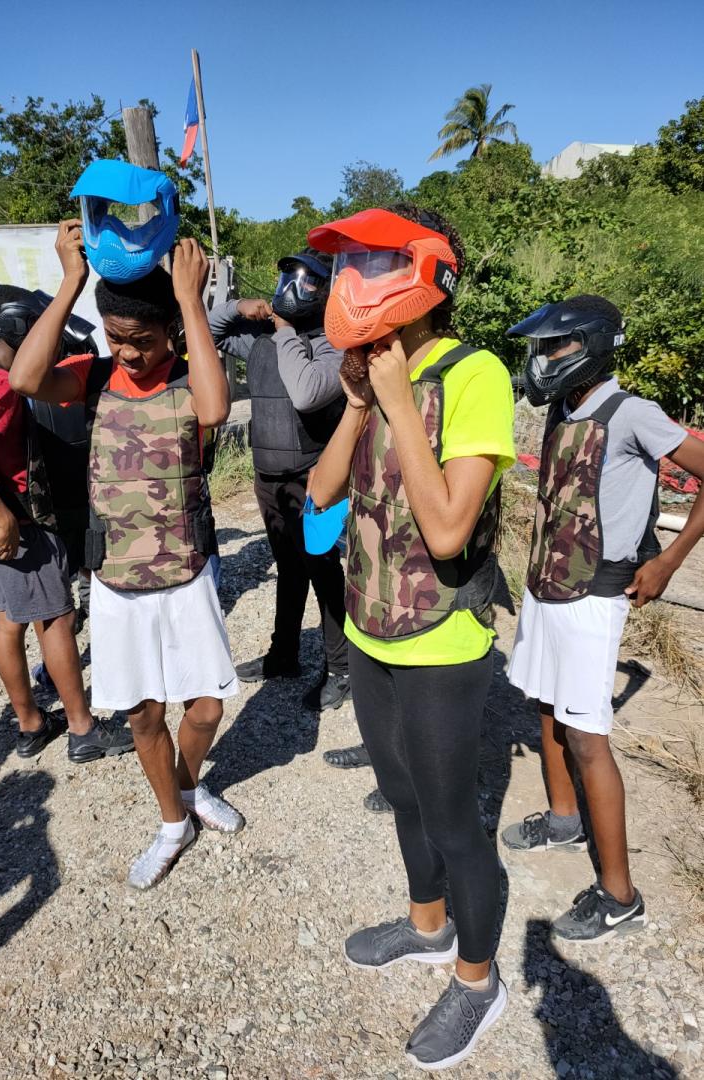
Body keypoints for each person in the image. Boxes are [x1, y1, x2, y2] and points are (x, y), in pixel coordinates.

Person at [309, 204, 515, 1070]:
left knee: (453, 820)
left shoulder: (476, 374)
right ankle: (428, 927)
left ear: (430, 274)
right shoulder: (375, 377)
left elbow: (448, 531)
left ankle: (477, 981)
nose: (354, 279)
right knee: (400, 795)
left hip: (440, 640)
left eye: (375, 262)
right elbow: (323, 493)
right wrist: (360, 405)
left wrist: (396, 403)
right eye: (350, 264)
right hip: (372, 630)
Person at [10, 223, 244, 890]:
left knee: (206, 708)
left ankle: (188, 787)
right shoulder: (95, 378)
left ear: (171, 330)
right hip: (117, 582)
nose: (130, 352)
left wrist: (190, 300)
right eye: (117, 338)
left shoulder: (190, 374)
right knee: (143, 714)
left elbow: (215, 408)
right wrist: (70, 283)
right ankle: (172, 823)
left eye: (143, 339)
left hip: (186, 575)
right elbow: (24, 377)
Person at [502, 294, 704, 943]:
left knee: (588, 737)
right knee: (545, 706)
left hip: (594, 597)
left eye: (555, 346)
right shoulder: (564, 408)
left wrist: (668, 560)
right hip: (546, 588)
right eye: (541, 348)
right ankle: (565, 820)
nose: (544, 359)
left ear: (590, 346)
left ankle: (620, 895)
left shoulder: (632, 413)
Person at [0, 285, 134, 765]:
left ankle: (31, 724)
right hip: (22, 525)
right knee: (56, 621)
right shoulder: (0, 383)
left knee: (9, 622)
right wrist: (2, 513)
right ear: (16, 326)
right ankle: (83, 731)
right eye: (38, 324)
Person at [209, 249, 350, 711]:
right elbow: (209, 330)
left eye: (307, 280)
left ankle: (341, 670)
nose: (293, 286)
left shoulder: (332, 344)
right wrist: (238, 306)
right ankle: (283, 656)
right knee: (289, 569)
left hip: (313, 479)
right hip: (267, 477)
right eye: (289, 276)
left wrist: (286, 330)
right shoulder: (263, 340)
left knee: (324, 573)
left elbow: (307, 394)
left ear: (325, 291)